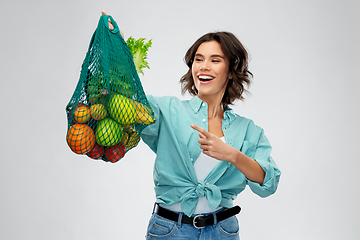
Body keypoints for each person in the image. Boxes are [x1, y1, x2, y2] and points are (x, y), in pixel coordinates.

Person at [102, 11, 281, 240]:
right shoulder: (167, 110)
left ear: (230, 70)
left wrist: (232, 155)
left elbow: (269, 182)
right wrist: (118, 51)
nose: (204, 67)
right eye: (199, 59)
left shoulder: (248, 131)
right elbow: (128, 105)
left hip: (223, 231)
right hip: (170, 230)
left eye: (215, 60)